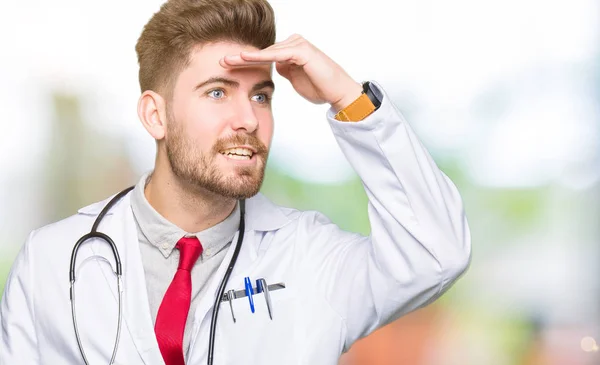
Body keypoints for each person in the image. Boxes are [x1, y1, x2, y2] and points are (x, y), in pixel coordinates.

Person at [0, 0, 472, 364]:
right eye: (218, 92)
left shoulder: (310, 259)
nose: (247, 118)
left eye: (262, 96)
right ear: (155, 115)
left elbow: (437, 254)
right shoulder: (51, 260)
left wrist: (347, 95)